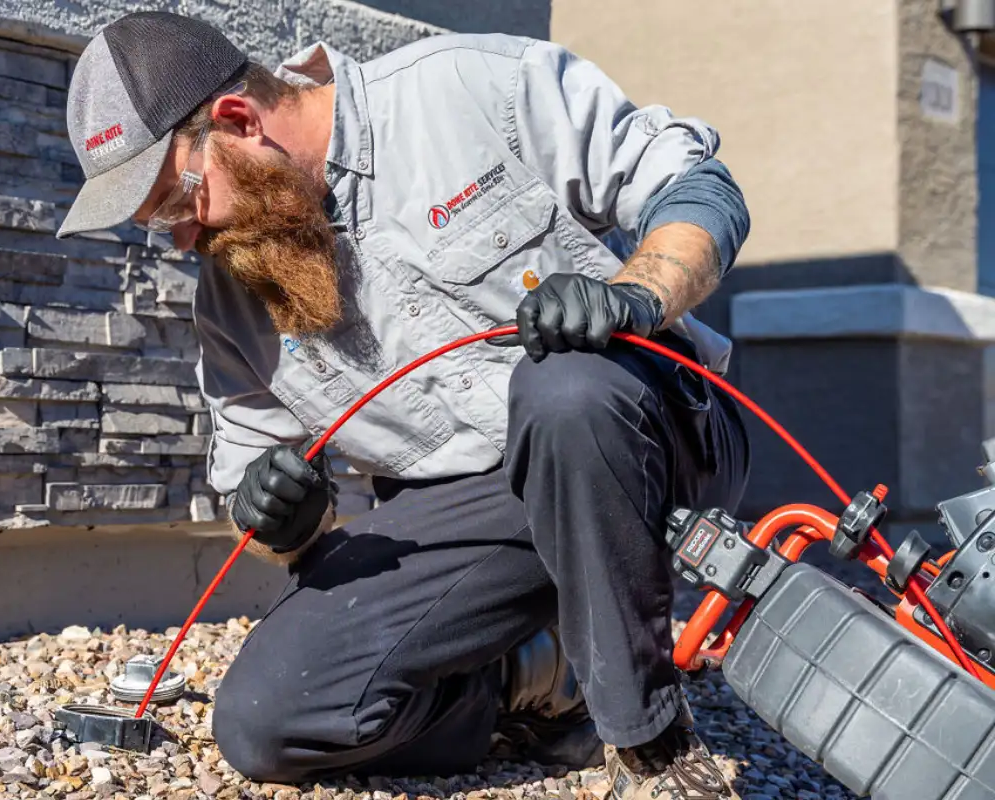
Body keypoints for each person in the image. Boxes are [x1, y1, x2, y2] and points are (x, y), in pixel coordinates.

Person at [58, 11, 752, 800]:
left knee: (565, 389)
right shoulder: (233, 297)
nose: (182, 239)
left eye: (177, 204)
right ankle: (537, 676)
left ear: (239, 120)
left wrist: (633, 296)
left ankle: (650, 741)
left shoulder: (466, 89)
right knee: (267, 720)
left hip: (648, 432)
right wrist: (279, 521)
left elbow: (700, 187)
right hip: (483, 511)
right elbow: (253, 496)